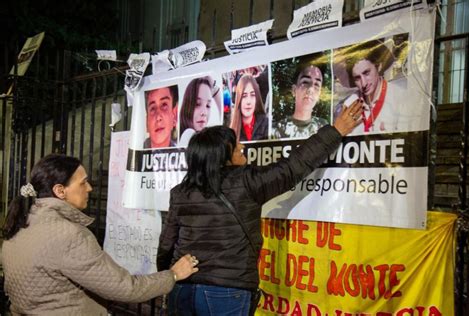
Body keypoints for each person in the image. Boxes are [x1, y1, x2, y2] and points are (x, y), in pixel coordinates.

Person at [157, 100, 363, 315]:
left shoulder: (180, 192)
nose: (242, 147)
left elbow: (166, 246)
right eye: (235, 146)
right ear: (221, 156)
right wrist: (336, 131)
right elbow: (292, 168)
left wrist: (167, 279)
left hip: (181, 288)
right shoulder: (246, 182)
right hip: (225, 293)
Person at [1, 154, 198, 315]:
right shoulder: (68, 235)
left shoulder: (19, 224)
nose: (90, 188)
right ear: (60, 191)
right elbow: (126, 288)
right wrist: (173, 275)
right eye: (83, 182)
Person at [334, 39, 408, 134]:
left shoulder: (400, 98)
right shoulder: (347, 106)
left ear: (379, 67)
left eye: (366, 73)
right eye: (357, 78)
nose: (364, 83)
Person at [272, 58, 328, 139]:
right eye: (305, 82)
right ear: (294, 90)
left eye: (317, 85)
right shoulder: (277, 130)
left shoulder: (324, 128)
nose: (311, 89)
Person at [179, 76, 222, 147]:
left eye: (208, 105)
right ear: (187, 105)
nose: (204, 113)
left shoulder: (202, 138)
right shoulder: (188, 135)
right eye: (197, 104)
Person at [229, 74, 268, 141]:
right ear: (239, 99)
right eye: (244, 96)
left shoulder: (266, 123)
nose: (248, 102)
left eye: (252, 95)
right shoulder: (232, 131)